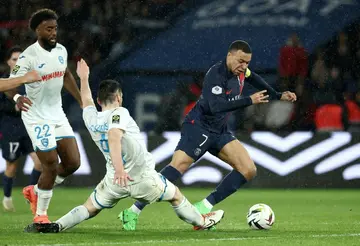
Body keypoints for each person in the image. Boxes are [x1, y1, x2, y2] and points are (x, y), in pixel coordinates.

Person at [23, 59, 224, 233]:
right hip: (139, 176)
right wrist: (121, 169)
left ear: (99, 101)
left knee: (90, 208)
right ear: (119, 97)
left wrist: (84, 78)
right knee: (176, 196)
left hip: (113, 181)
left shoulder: (91, 117)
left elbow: (85, 101)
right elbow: (113, 136)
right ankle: (201, 221)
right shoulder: (121, 113)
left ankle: (57, 225)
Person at [119, 40, 297, 230]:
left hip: (220, 130)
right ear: (229, 56)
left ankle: (203, 207)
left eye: (247, 63)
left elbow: (254, 78)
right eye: (240, 61)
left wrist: (277, 95)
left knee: (248, 169)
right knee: (175, 168)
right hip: (199, 127)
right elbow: (215, 106)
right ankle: (132, 211)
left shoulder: (242, 72)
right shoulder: (216, 74)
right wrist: (249, 100)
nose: (244, 67)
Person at [8, 9, 82, 225]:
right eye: (49, 29)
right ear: (37, 30)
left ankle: (36, 190)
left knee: (73, 163)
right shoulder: (28, 57)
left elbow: (66, 73)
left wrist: (80, 100)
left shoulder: (61, 50)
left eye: (55, 28)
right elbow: (10, 83)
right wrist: (16, 99)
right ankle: (41, 215)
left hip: (56, 113)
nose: (53, 33)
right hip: (36, 116)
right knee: (49, 164)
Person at [1, 46, 42, 212]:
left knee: (39, 162)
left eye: (20, 59)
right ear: (8, 62)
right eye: (14, 59)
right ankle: (7, 197)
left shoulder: (28, 81)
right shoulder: (3, 82)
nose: (18, 62)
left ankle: (31, 193)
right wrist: (15, 109)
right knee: (12, 165)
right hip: (10, 129)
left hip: (28, 128)